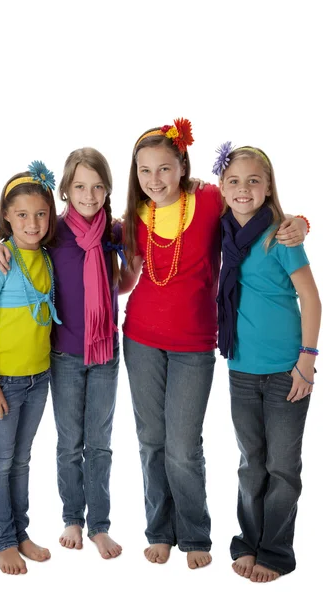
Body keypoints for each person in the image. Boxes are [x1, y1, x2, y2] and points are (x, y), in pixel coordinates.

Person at [119, 119, 308, 569]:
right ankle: (159, 531)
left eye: (164, 169)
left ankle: (195, 533)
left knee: (184, 445)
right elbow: (122, 273)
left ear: (182, 166)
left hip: (194, 345)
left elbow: (254, 211)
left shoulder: (207, 200)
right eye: (144, 171)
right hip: (140, 339)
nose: (155, 180)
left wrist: (299, 222)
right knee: (151, 441)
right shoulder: (132, 217)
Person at [0, 148, 124, 559]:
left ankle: (99, 525)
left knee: (99, 443)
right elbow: (18, 240)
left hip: (104, 355)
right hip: (61, 355)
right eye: (80, 186)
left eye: (98, 186)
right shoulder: (52, 232)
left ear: (107, 190)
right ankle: (72, 519)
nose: (89, 194)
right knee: (69, 443)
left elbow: (119, 282)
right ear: (64, 190)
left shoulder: (113, 232)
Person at [214, 143, 320, 582]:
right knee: (250, 462)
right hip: (241, 367)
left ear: (268, 186)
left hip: (285, 372)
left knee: (282, 466)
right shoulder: (220, 231)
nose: (243, 189)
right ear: (221, 186)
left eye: (254, 180)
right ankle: (248, 542)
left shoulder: (280, 234)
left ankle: (275, 551)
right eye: (234, 181)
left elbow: (311, 299)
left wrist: (307, 361)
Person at [0, 161, 61, 574]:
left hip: (39, 378)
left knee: (21, 461)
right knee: (0, 460)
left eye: (41, 213)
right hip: (2, 381)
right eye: (21, 214)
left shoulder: (45, 254)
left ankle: (21, 533)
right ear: (6, 215)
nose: (32, 222)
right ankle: (3, 540)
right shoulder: (0, 260)